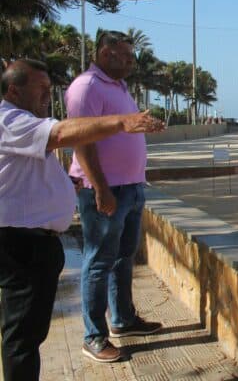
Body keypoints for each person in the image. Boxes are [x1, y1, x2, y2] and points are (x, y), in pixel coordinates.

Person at [0, 59, 164, 380]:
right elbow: (62, 132)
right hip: (20, 243)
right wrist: (121, 122)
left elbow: (23, 176)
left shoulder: (19, 121)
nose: (50, 95)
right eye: (42, 89)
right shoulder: (9, 119)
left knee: (28, 336)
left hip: (32, 241)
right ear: (13, 89)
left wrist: (65, 184)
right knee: (22, 339)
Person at [66, 31, 162, 363]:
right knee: (98, 261)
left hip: (132, 187)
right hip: (105, 190)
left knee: (123, 257)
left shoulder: (119, 88)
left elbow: (118, 131)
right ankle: (94, 336)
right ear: (107, 54)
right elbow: (81, 140)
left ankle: (123, 319)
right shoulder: (86, 87)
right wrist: (101, 188)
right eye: (128, 57)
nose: (133, 63)